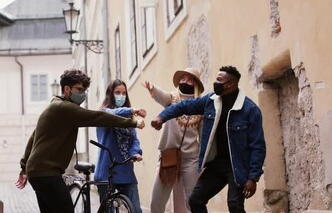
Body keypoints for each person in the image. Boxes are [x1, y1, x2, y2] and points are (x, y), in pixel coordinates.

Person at [15, 69, 145, 213]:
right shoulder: (64, 108)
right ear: (67, 89)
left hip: (38, 173)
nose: (82, 93)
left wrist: (24, 168)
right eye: (79, 89)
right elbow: (99, 117)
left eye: (84, 90)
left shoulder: (54, 107)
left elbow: (33, 138)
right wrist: (133, 123)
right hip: (47, 173)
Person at [151, 66, 266, 213]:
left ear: (230, 84)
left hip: (238, 165)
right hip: (217, 164)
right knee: (195, 200)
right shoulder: (211, 101)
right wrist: (162, 117)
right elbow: (184, 106)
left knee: (235, 205)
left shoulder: (250, 110)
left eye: (219, 80)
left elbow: (258, 146)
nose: (215, 83)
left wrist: (253, 178)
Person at [144, 68, 204, 213]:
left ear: (195, 84)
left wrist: (204, 160)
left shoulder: (201, 106)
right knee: (157, 201)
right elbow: (162, 96)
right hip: (168, 157)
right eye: (182, 79)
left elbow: (203, 136)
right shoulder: (172, 99)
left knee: (193, 201)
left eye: (189, 80)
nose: (185, 82)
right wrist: (153, 89)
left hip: (191, 159)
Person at [95, 79, 146, 213]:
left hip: (126, 170)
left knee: (136, 210)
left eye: (124, 93)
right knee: (108, 210)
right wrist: (133, 110)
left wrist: (135, 153)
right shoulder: (103, 113)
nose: (121, 96)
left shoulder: (128, 119)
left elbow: (134, 139)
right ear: (110, 94)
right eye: (117, 92)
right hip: (107, 172)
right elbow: (113, 114)